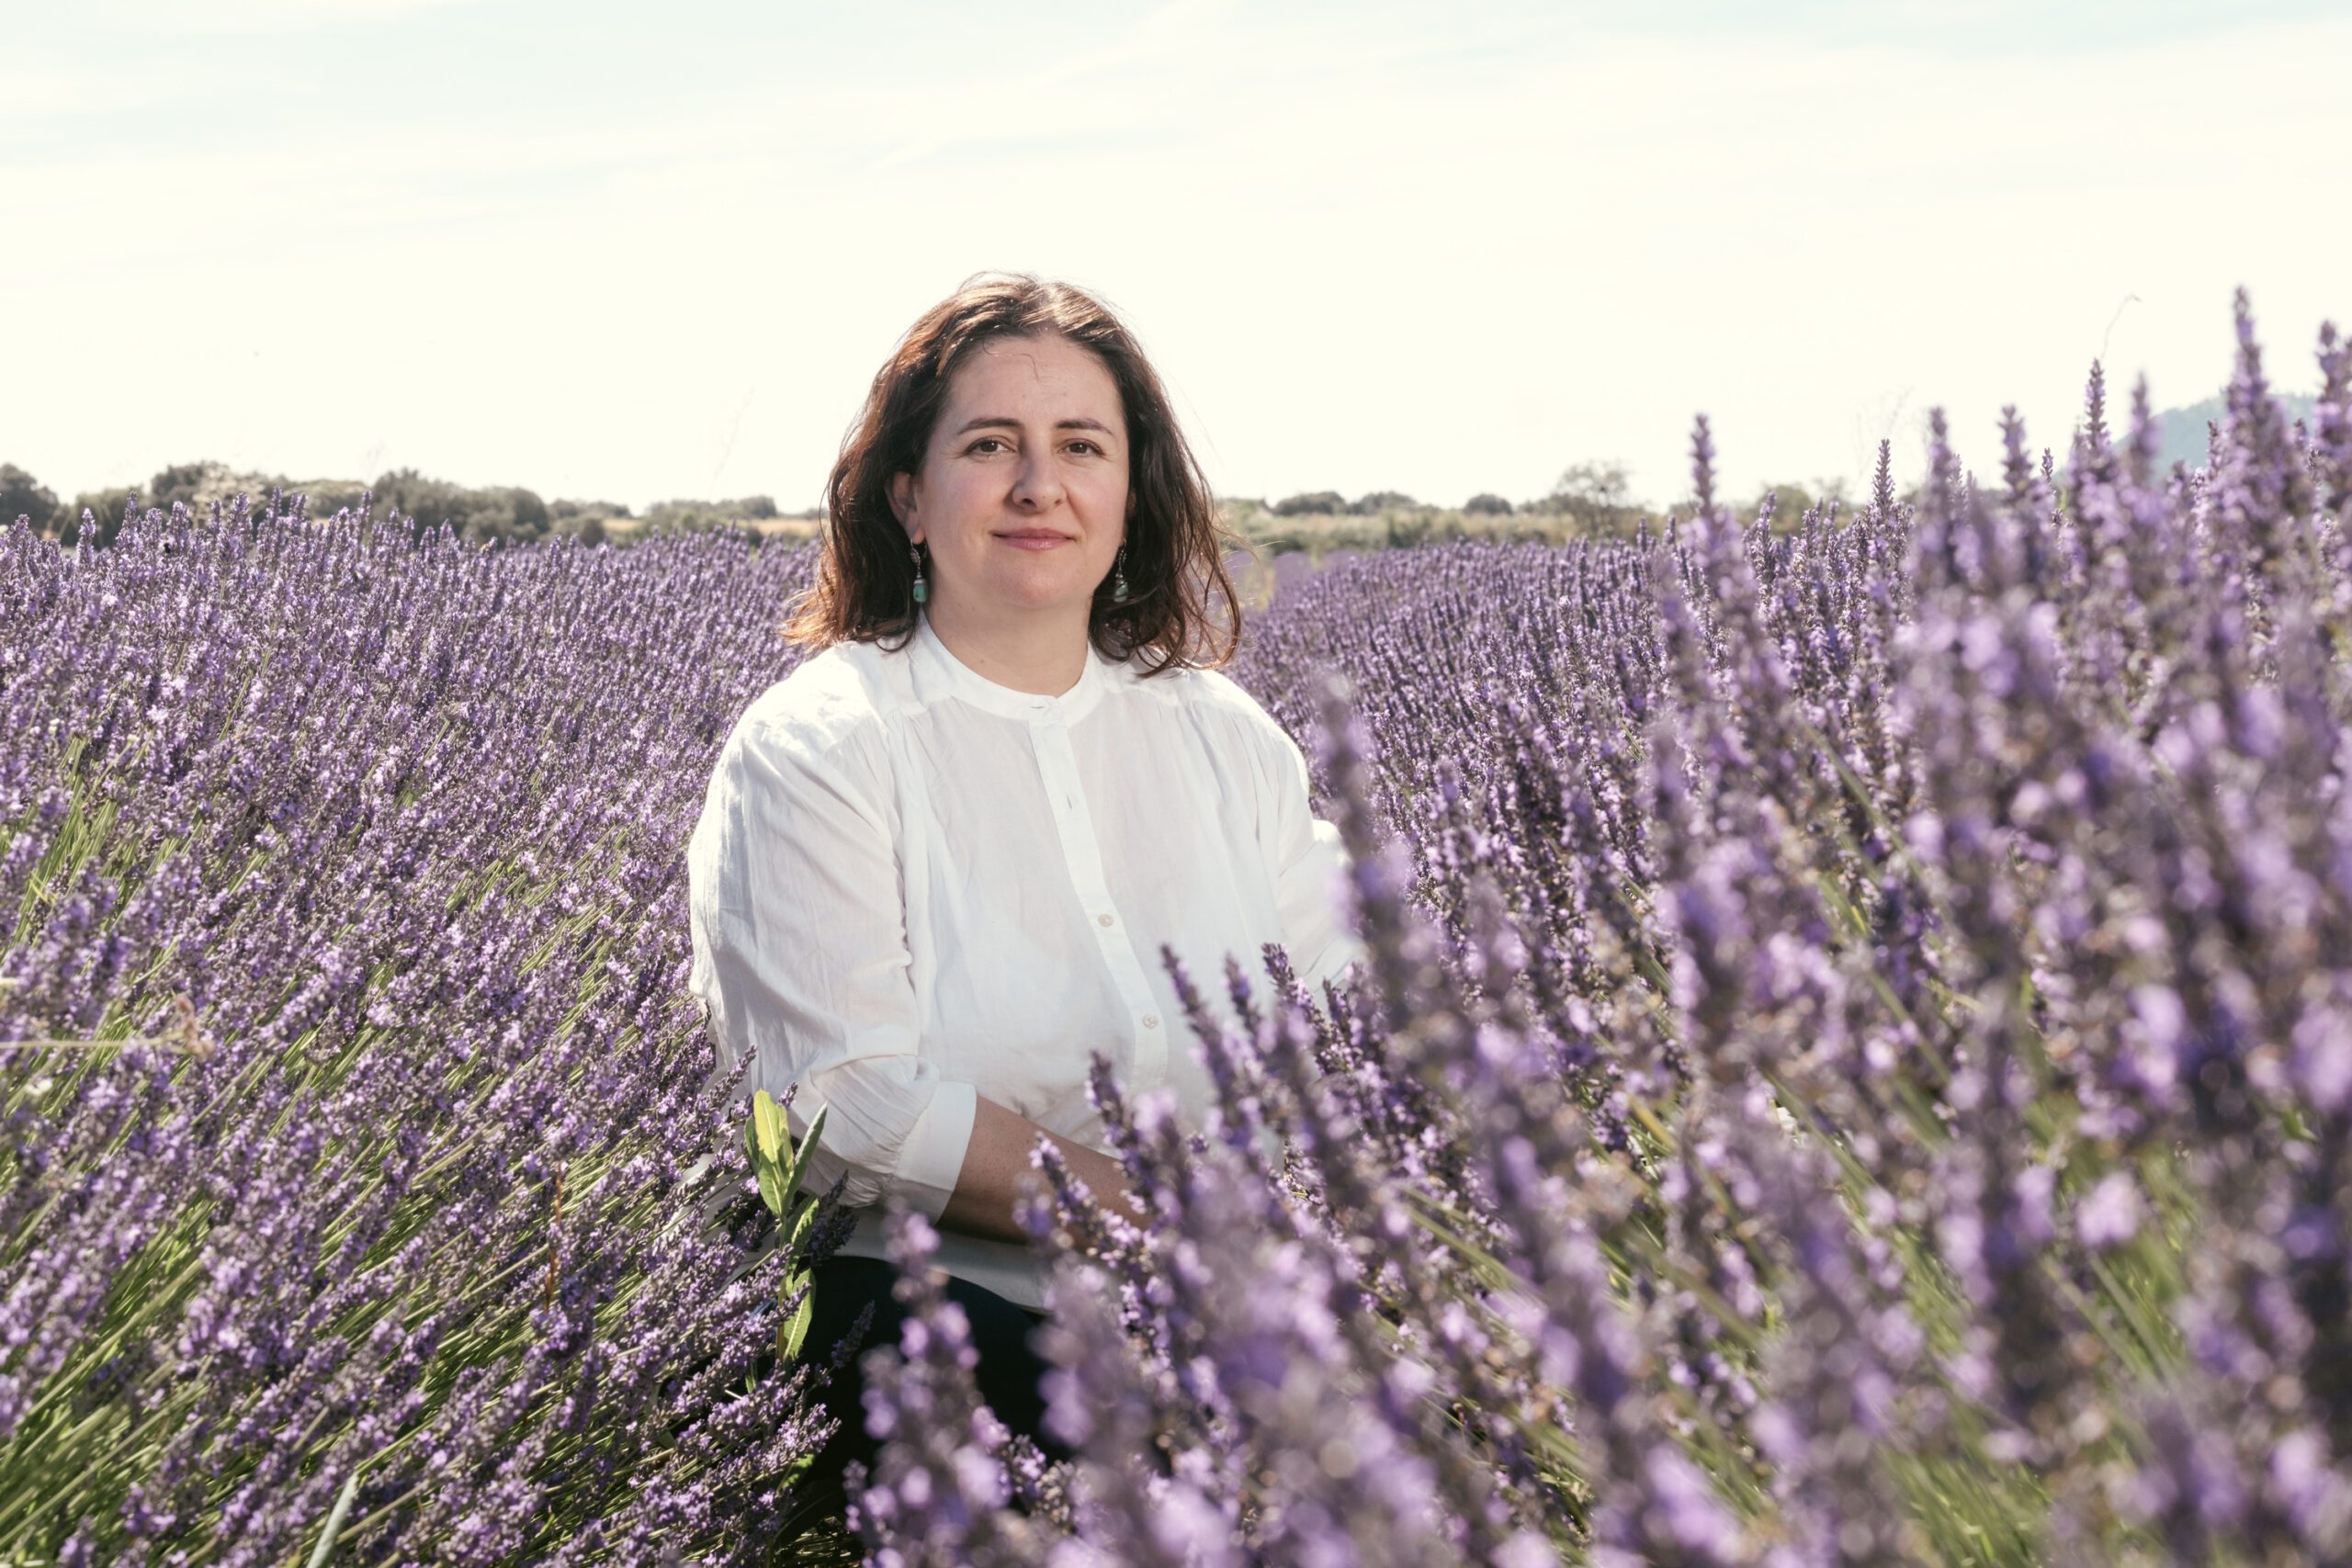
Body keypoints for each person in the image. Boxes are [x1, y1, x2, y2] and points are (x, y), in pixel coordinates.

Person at [682, 271, 1363, 1501]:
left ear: (1130, 494)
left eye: (1082, 447)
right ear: (908, 495)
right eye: (990, 445)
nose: (1040, 485)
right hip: (945, 1312)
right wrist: (1178, 1228)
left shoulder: (1223, 738)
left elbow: (1350, 1001)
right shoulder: (821, 747)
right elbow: (850, 1106)